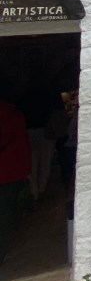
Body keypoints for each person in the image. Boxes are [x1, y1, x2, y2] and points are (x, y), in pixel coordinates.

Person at [0, 84, 31, 266]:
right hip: (12, 172)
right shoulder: (16, 115)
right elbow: (23, 144)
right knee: (5, 214)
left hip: (7, 171)